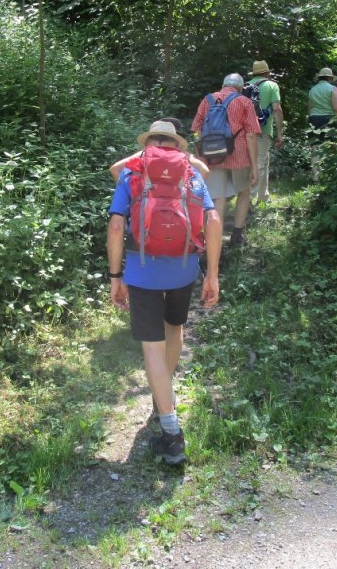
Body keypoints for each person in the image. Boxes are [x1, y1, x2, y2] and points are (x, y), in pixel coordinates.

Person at [107, 120, 222, 465]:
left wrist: (116, 276)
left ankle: (171, 433)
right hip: (184, 269)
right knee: (175, 329)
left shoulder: (133, 171)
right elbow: (213, 220)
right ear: (176, 145)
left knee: (151, 347)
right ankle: (163, 399)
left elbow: (116, 225)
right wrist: (212, 275)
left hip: (142, 270)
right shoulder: (190, 172)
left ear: (147, 144)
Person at [191, 74, 260, 248]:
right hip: (240, 157)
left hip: (213, 155)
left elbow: (197, 131)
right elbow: (251, 135)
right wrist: (254, 166)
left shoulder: (207, 100)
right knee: (243, 193)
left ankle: (214, 240)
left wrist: (201, 159)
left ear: (223, 85)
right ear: (241, 87)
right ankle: (237, 236)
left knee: (218, 199)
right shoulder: (245, 102)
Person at [109, 117, 210, 181]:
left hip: (145, 203)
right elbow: (205, 171)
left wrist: (128, 193)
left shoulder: (144, 153)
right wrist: (193, 190)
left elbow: (114, 169)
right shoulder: (183, 155)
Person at [245, 61, 284, 203]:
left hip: (246, 131)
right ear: (267, 73)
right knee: (260, 163)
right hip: (263, 129)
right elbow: (277, 108)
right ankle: (248, 201)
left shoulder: (245, 86)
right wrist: (280, 132)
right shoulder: (272, 85)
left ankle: (263, 196)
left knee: (264, 161)